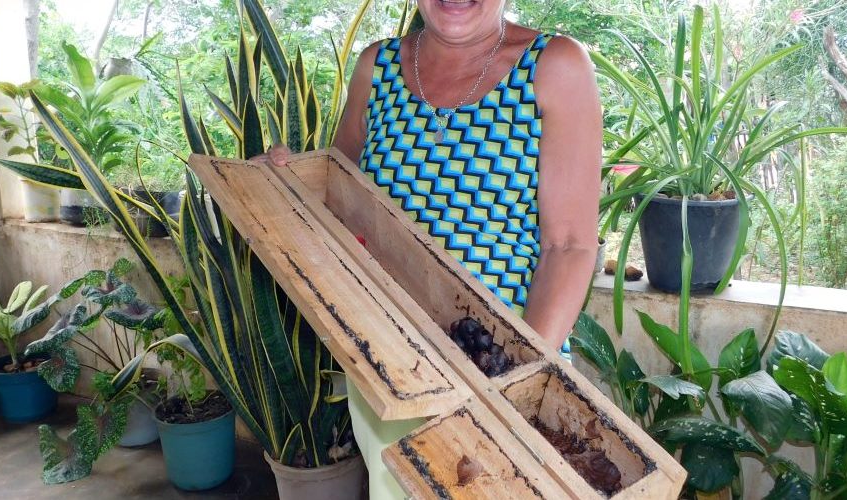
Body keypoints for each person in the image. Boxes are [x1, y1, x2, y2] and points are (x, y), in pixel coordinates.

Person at [255, 0, 601, 496]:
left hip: (504, 372)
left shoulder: (554, 65)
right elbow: (339, 201)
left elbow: (568, 246)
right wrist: (287, 181)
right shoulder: (377, 67)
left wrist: (510, 390)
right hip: (390, 371)